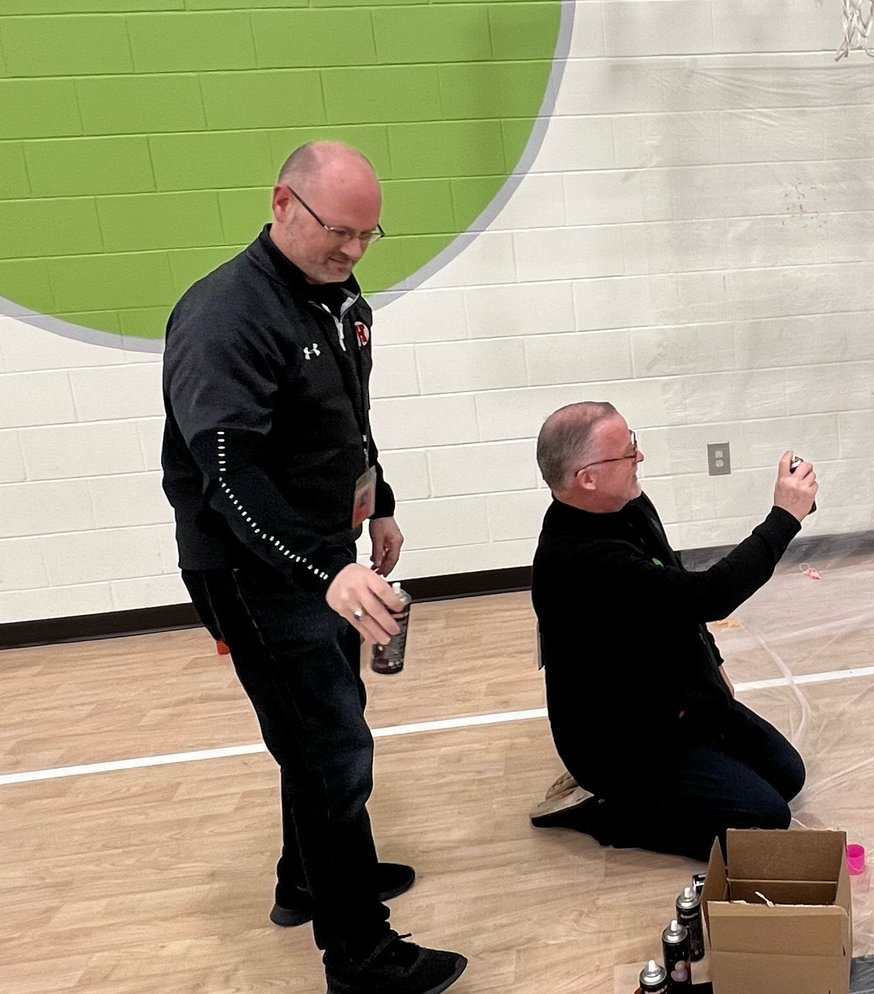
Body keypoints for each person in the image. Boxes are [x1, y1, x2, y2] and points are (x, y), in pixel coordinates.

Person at [161, 141, 466, 994]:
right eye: (340, 232)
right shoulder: (227, 317)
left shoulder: (336, 298)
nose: (353, 252)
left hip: (322, 555)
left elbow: (347, 416)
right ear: (283, 202)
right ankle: (360, 956)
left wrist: (382, 499)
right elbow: (229, 476)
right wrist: (321, 566)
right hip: (254, 570)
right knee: (332, 747)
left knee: (322, 727)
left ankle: (307, 880)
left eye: (370, 236)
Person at [528, 402, 817, 862]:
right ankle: (602, 809)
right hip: (623, 741)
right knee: (765, 821)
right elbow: (707, 595)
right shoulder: (581, 560)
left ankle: (684, 774)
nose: (639, 457)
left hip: (676, 699)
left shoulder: (630, 505)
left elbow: (678, 590)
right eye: (627, 452)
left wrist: (714, 662)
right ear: (587, 477)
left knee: (788, 775)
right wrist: (784, 518)